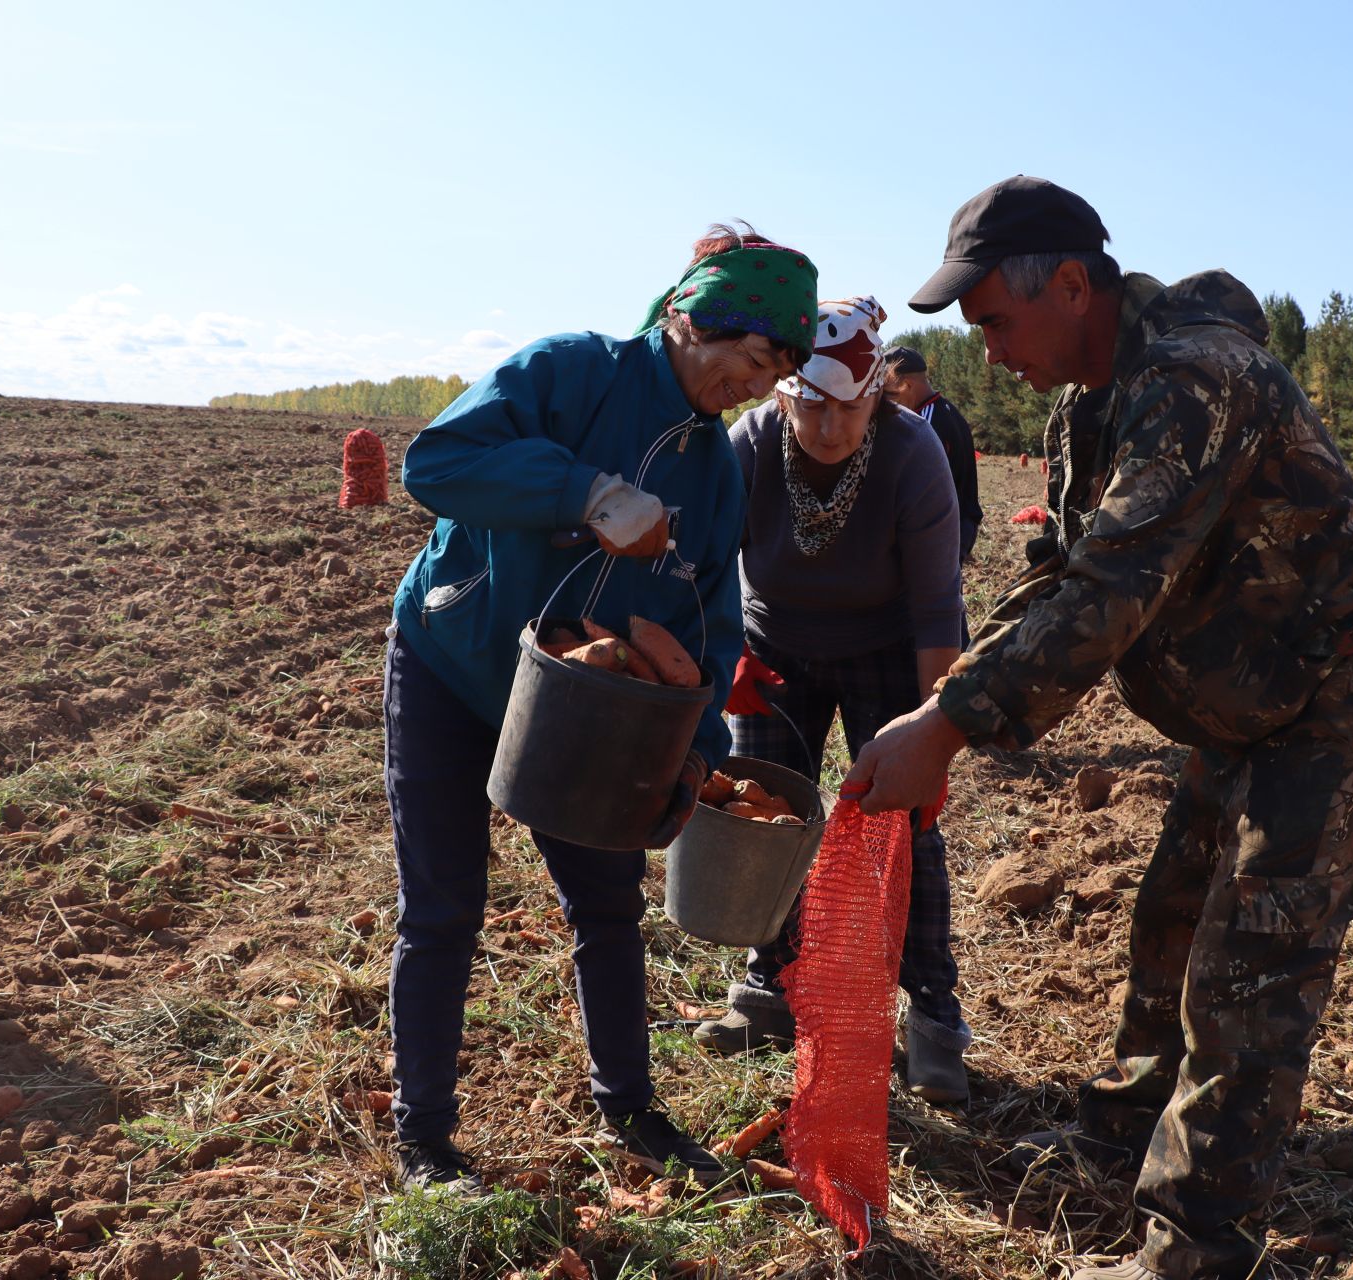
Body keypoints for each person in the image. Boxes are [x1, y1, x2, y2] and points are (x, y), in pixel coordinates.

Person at [845, 177, 1353, 1280]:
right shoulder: (1088, 404)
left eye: (996, 323)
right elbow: (1058, 571)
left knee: (1253, 962)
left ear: (1071, 285)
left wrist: (950, 727)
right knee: (1170, 915)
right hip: (1243, 692)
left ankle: (1193, 1248)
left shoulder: (1197, 379)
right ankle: (1133, 1119)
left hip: (1327, 692)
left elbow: (1112, 592)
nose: (989, 350)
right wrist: (938, 705)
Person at [384, 224, 818, 1192]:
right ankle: (425, 1136)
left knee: (608, 902)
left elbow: (705, 619)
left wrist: (692, 749)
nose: (751, 388)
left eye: (772, 374)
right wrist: (585, 491)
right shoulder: (571, 372)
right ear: (685, 316)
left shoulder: (713, 466)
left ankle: (629, 1103)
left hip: (590, 701)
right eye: (747, 359)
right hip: (456, 656)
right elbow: (438, 462)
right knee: (445, 905)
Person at [690, 296, 973, 1105]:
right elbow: (708, 565)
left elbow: (935, 609)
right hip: (773, 649)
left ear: (878, 393)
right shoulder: (747, 448)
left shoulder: (913, 457)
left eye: (851, 406)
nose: (831, 426)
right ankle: (770, 989)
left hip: (887, 648)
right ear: (783, 394)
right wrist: (724, 657)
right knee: (766, 820)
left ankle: (933, 1018)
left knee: (904, 827)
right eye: (813, 405)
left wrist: (934, 733)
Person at [881, 344, 983, 562]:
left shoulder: (924, 424)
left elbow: (917, 491)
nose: (888, 402)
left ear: (907, 385)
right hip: (957, 526)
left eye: (890, 394)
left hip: (939, 532)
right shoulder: (946, 411)